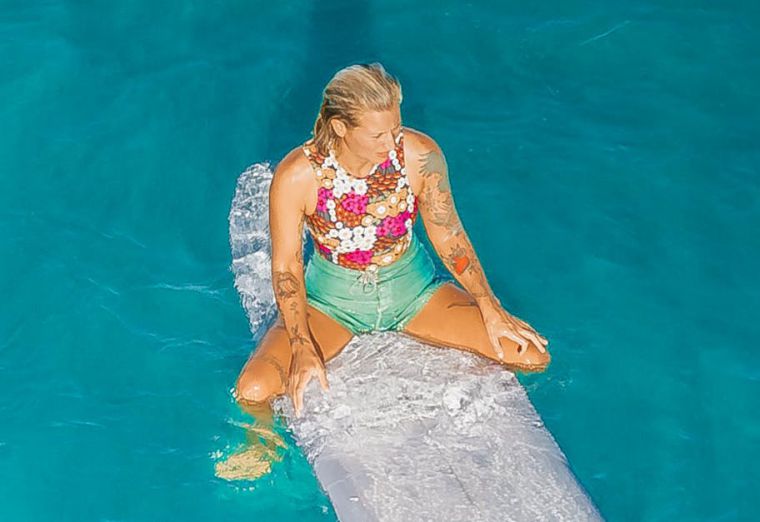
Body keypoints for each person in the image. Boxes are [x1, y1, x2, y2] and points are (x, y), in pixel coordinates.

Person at [215, 63, 550, 480]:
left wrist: (490, 306)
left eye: (395, 128)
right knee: (255, 389)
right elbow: (285, 269)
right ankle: (260, 445)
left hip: (413, 293)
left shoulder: (419, 155)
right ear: (339, 127)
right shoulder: (297, 175)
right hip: (331, 303)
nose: (391, 142)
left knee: (531, 356)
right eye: (378, 134)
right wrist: (301, 344)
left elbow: (451, 237)